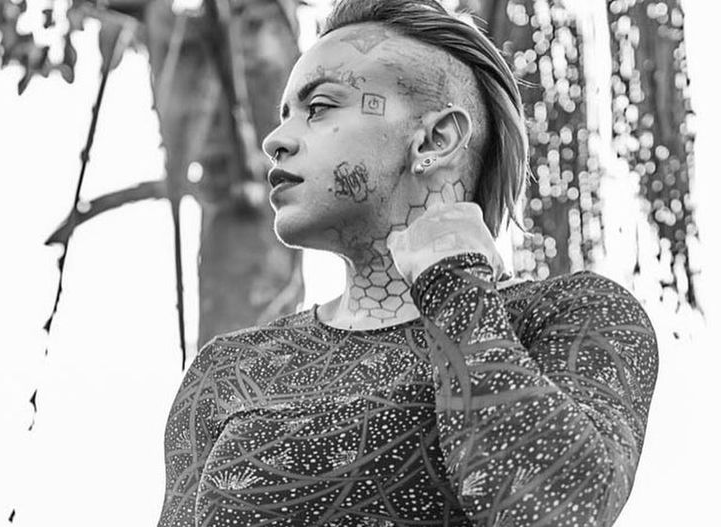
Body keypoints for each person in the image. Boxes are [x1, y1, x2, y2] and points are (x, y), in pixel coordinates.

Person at [157, 0, 658, 525]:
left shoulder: (573, 314)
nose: (275, 140)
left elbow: (558, 509)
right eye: (285, 116)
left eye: (319, 108)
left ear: (435, 140)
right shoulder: (229, 369)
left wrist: (453, 280)